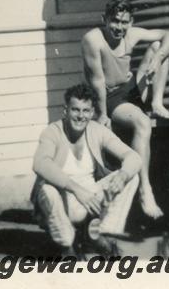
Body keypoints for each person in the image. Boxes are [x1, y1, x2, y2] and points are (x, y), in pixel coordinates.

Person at [82, 0, 169, 219]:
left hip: (131, 88)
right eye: (115, 21)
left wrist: (157, 59)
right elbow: (97, 81)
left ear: (131, 22)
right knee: (142, 123)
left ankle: (156, 102)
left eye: (124, 22)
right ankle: (145, 189)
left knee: (158, 47)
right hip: (109, 96)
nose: (119, 27)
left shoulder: (131, 34)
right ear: (104, 20)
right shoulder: (92, 39)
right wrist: (103, 114)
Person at [31, 83, 141, 254]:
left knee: (132, 176)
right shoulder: (52, 132)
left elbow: (133, 156)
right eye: (75, 110)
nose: (80, 116)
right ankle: (66, 246)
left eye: (85, 111)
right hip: (63, 202)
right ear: (65, 110)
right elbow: (40, 163)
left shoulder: (96, 130)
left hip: (91, 200)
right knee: (47, 189)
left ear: (91, 112)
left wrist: (123, 175)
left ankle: (103, 236)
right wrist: (76, 190)